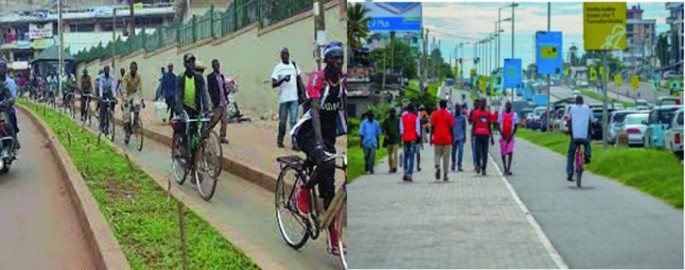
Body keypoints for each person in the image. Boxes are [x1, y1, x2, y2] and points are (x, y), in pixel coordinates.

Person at [291, 41, 345, 253]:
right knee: (326, 162)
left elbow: (346, 109)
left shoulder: (342, 81)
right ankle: (303, 191)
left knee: (329, 191)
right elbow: (314, 111)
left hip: (329, 135)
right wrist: (320, 144)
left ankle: (332, 236)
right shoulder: (317, 79)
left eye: (341, 58)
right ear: (327, 61)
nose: (338, 62)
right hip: (309, 133)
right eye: (334, 58)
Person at [173, 53, 211, 160]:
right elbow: (178, 97)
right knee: (185, 127)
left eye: (193, 62)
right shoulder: (180, 78)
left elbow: (204, 95)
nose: (191, 64)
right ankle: (183, 148)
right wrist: (181, 112)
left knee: (198, 131)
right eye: (189, 62)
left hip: (196, 108)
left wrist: (207, 110)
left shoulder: (199, 78)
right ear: (184, 64)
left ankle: (195, 154)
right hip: (184, 108)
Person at [271, 47, 301, 149]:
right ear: (281, 56)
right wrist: (283, 79)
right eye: (283, 55)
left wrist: (304, 93)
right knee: (283, 121)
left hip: (294, 98)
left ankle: (295, 143)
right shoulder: (278, 67)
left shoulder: (294, 65)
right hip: (283, 99)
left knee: (294, 121)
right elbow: (273, 84)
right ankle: (280, 140)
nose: (285, 56)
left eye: (286, 54)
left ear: (288, 55)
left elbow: (299, 79)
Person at [566, 95, 593, 181]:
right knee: (587, 143)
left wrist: (569, 129)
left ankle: (570, 173)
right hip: (584, 136)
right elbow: (591, 119)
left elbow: (568, 119)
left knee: (570, 155)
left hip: (574, 137)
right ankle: (587, 156)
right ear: (583, 101)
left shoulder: (572, 108)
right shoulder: (587, 108)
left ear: (576, 102)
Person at [206, 59, 230, 144]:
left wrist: (227, 94)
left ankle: (222, 137)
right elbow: (210, 90)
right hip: (217, 103)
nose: (217, 66)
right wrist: (213, 100)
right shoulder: (210, 77)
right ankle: (206, 132)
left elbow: (223, 88)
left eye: (218, 64)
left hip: (223, 101)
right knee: (214, 120)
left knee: (225, 120)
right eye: (215, 65)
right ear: (213, 66)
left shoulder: (221, 76)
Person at [430, 99, 455, 181]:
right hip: (447, 139)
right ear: (446, 105)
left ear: (439, 105)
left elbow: (432, 126)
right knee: (446, 157)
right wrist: (453, 138)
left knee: (437, 155)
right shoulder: (449, 115)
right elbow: (451, 128)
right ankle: (445, 175)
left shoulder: (435, 114)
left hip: (437, 139)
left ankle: (437, 166)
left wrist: (431, 137)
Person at [122, 61, 145, 144]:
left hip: (134, 94)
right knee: (126, 116)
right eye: (132, 68)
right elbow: (123, 88)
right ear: (130, 69)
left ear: (137, 69)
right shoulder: (126, 76)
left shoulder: (138, 77)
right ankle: (127, 134)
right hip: (127, 95)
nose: (133, 70)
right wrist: (125, 100)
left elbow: (141, 88)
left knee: (137, 104)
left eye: (135, 68)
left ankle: (136, 122)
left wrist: (142, 99)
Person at [471, 98, 494, 175]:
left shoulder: (488, 113)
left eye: (484, 102)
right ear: (479, 103)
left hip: (485, 135)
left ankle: (484, 168)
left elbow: (489, 125)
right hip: (477, 134)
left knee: (485, 152)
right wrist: (472, 135)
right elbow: (473, 124)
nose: (482, 104)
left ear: (485, 104)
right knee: (477, 151)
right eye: (481, 102)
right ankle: (477, 165)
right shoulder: (475, 113)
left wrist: (492, 137)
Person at [0, 59, 19, 149]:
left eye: (2, 67)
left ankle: (14, 140)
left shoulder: (9, 83)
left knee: (9, 121)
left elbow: (12, 97)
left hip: (5, 109)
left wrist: (7, 103)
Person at [400, 103, 421, 182]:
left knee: (406, 156)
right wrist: (419, 136)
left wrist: (402, 135)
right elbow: (418, 130)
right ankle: (409, 175)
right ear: (413, 110)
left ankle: (405, 172)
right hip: (413, 139)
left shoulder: (402, 117)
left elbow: (401, 130)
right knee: (412, 157)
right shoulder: (416, 117)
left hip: (405, 138)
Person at [498, 101, 518, 175]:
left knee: (510, 152)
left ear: (511, 106)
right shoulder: (501, 114)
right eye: (507, 104)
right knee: (503, 153)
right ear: (505, 105)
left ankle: (509, 169)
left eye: (510, 104)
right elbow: (497, 124)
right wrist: (501, 133)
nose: (508, 106)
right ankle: (505, 168)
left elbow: (516, 126)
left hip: (510, 137)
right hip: (503, 137)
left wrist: (512, 135)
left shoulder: (514, 115)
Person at [97, 66, 117, 133]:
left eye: (108, 70)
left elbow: (113, 87)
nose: (107, 72)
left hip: (109, 92)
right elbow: (100, 87)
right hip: (103, 92)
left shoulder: (111, 77)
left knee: (112, 101)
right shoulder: (101, 77)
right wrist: (100, 96)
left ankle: (111, 111)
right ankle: (101, 126)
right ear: (104, 71)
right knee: (103, 109)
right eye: (105, 71)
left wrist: (114, 96)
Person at [382, 107, 400, 173]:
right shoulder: (386, 120)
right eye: (391, 112)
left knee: (395, 155)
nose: (392, 113)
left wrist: (400, 139)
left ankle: (394, 167)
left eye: (394, 112)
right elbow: (383, 129)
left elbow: (400, 129)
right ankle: (390, 167)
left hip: (395, 139)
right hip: (388, 140)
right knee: (389, 156)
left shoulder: (398, 119)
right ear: (389, 113)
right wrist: (385, 135)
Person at [451, 104, 467, 172]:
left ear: (460, 108)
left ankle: (459, 165)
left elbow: (464, 128)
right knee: (453, 152)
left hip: (461, 136)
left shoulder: (463, 118)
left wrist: (465, 136)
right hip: (454, 136)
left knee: (460, 150)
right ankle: (453, 164)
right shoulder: (452, 117)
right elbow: (450, 127)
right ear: (455, 108)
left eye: (458, 107)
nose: (457, 109)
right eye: (456, 107)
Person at [468, 99, 480, 171]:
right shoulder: (472, 112)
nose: (475, 105)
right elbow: (469, 121)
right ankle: (475, 164)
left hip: (481, 133)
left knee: (480, 150)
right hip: (474, 133)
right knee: (474, 150)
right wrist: (471, 114)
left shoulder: (481, 112)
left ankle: (480, 164)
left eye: (476, 104)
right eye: (474, 104)